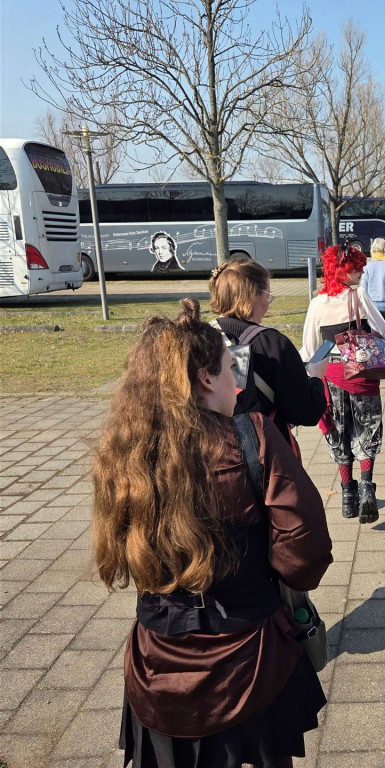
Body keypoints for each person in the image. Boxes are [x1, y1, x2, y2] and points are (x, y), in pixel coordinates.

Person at [93, 298, 333, 768]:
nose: (237, 385)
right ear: (205, 378)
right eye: (230, 369)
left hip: (157, 664)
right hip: (251, 661)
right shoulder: (255, 437)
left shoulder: (121, 454)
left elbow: (119, 552)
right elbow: (304, 555)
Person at [301, 245, 385, 523]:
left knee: (339, 432)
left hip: (333, 378)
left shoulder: (317, 304)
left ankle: (347, 493)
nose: (362, 271)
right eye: (357, 267)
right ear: (343, 270)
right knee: (368, 429)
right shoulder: (360, 296)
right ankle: (367, 486)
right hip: (362, 376)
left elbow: (309, 350)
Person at [209, 258, 327, 449]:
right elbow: (306, 412)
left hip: (213, 453)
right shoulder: (273, 344)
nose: (268, 303)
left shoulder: (201, 336)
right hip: (266, 457)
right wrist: (315, 377)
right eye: (267, 296)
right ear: (252, 296)